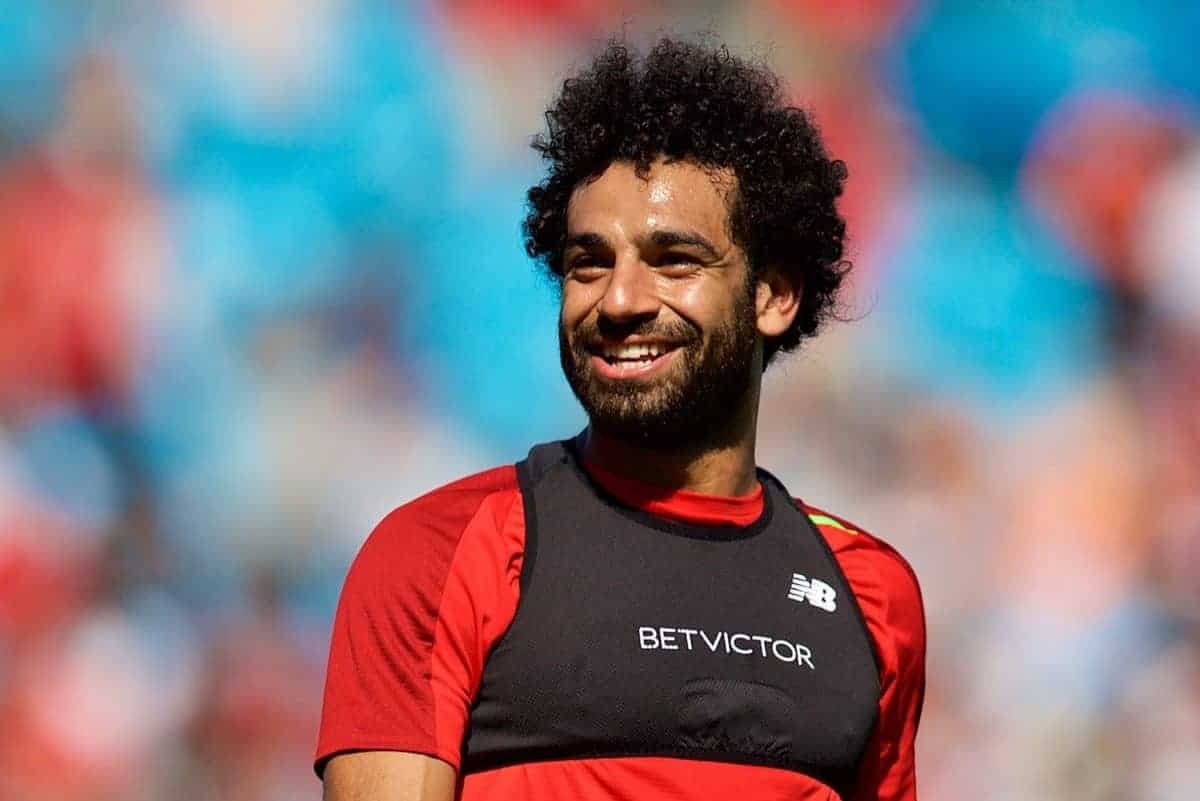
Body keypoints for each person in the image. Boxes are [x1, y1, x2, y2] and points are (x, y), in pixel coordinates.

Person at [315, 37, 925, 801]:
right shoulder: (438, 555)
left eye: (674, 260)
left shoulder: (873, 595)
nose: (619, 300)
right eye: (588, 262)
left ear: (773, 295)